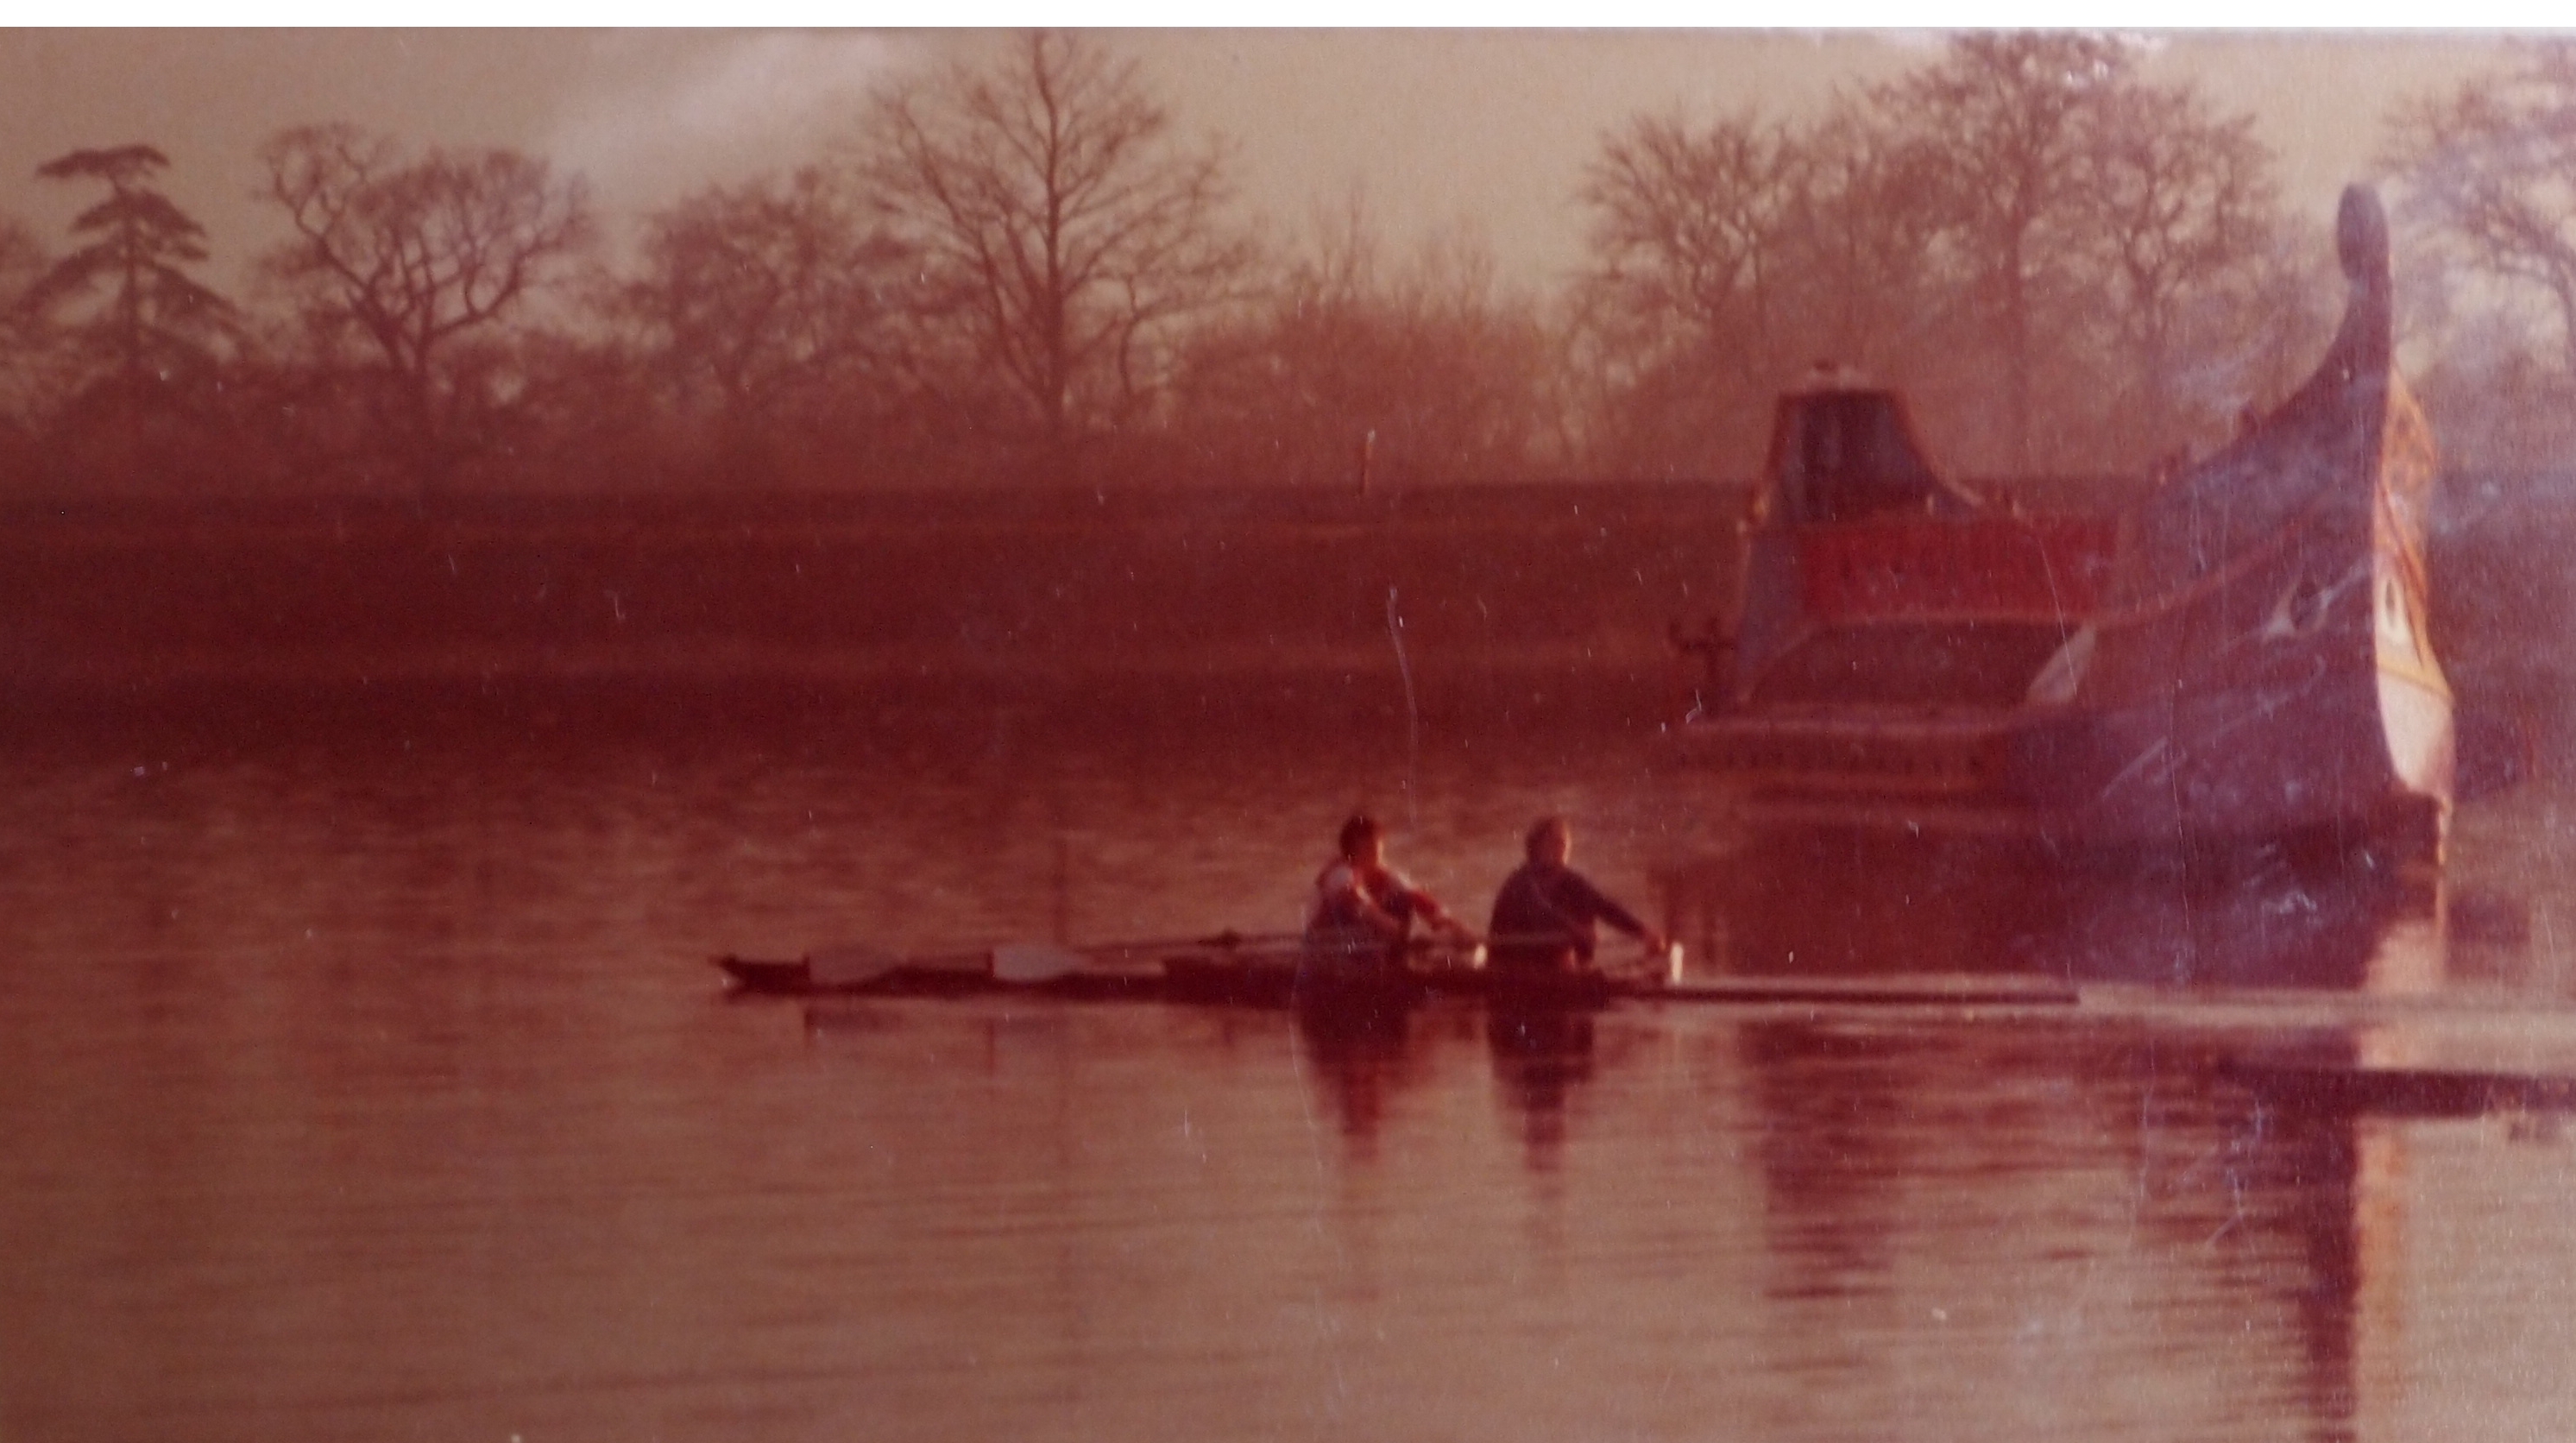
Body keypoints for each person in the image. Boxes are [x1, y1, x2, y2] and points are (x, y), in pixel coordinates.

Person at [1485, 816, 1667, 975]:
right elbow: (1541, 911)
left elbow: (1603, 906)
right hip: (1513, 964)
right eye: (1556, 842)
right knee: (1565, 922)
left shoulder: (1569, 879)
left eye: (1565, 842)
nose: (1563, 847)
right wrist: (1576, 930)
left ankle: (1577, 966)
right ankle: (1567, 966)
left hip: (1551, 962)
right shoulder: (1521, 881)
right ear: (1538, 847)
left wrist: (1643, 932)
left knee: (1585, 903)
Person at [1304, 813, 1472, 970]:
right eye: (1370, 850)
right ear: (1352, 852)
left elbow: (1421, 900)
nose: (1378, 858)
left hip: (1363, 946)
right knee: (1358, 912)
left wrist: (1457, 929)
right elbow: (1356, 901)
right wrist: (1394, 928)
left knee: (1403, 898)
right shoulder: (1339, 874)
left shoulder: (1384, 875)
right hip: (1327, 952)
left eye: (1377, 850)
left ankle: (1396, 965)